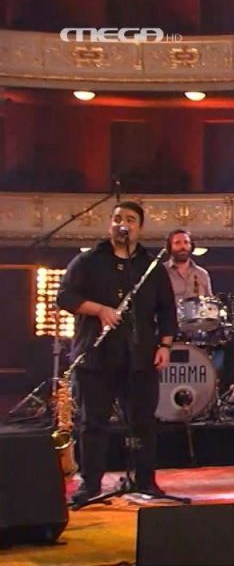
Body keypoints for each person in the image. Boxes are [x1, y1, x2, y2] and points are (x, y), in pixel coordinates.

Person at [57, 201, 177, 504]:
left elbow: (166, 310)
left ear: (140, 228)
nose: (123, 224)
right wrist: (99, 310)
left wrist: (165, 346)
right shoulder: (87, 261)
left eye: (130, 219)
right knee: (92, 423)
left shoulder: (151, 267)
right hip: (95, 356)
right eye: (117, 218)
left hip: (139, 357)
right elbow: (65, 296)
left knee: (142, 422)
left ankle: (144, 480)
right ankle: (90, 484)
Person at [163, 229, 213, 302]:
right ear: (169, 247)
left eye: (186, 242)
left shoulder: (202, 274)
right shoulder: (160, 272)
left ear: (191, 246)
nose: (183, 247)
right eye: (177, 243)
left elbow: (209, 302)